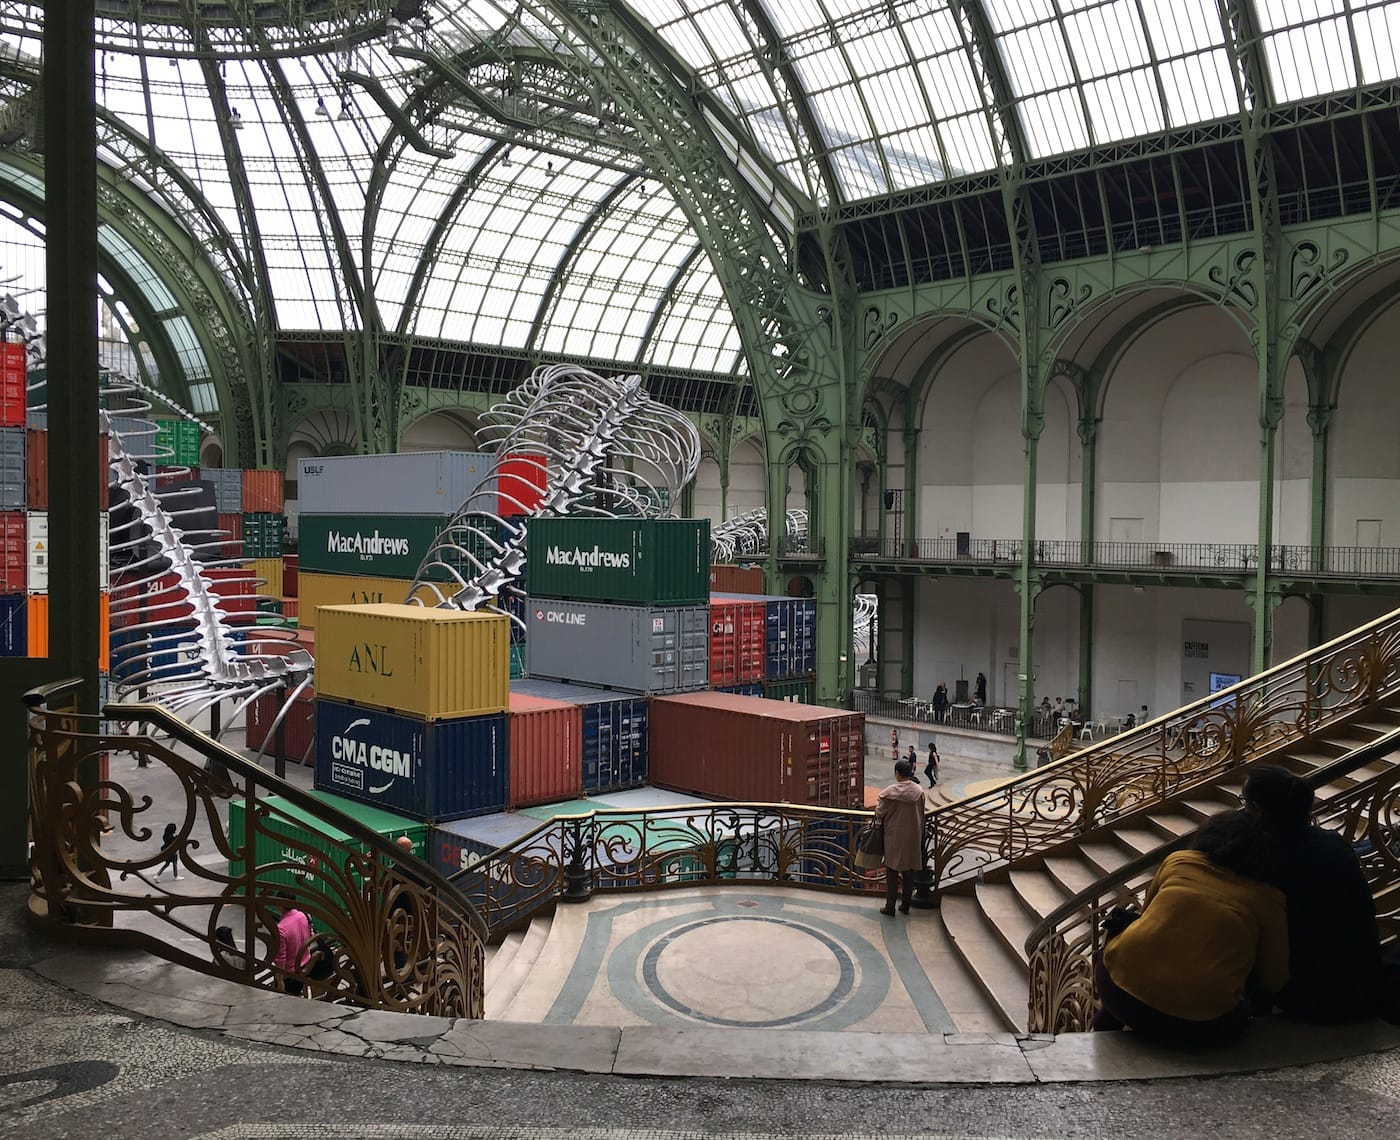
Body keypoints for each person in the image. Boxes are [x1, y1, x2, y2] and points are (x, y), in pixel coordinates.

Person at [1093, 810, 1288, 1046]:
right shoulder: (1268, 899)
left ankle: (1103, 1026)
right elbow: (1274, 979)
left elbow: (1146, 916)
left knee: (1133, 953)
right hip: (1196, 1025)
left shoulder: (1179, 861)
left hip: (1114, 991)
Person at [1243, 766, 1381, 1023]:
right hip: (1364, 985)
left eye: (1244, 802)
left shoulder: (1264, 858)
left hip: (1311, 996)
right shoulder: (1332, 841)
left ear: (1258, 809)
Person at [874, 758, 926, 917]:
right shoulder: (919, 792)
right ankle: (905, 905)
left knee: (891, 870)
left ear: (897, 773)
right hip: (912, 835)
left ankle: (890, 906)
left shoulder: (889, 793)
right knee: (909, 870)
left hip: (894, 835)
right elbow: (922, 812)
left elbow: (879, 813)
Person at [273, 892, 314, 996]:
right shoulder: (305, 915)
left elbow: (281, 959)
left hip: (290, 975)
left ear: (280, 904)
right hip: (306, 967)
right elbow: (311, 936)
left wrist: (280, 981)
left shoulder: (281, 929)